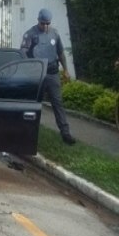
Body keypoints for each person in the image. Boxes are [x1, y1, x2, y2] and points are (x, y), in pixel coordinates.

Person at [21, 8, 76, 145]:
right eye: (43, 23)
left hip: (52, 73)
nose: (45, 26)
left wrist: (66, 70)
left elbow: (61, 53)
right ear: (38, 21)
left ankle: (65, 133)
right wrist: (30, 67)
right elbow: (22, 52)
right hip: (37, 74)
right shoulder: (30, 34)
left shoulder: (54, 33)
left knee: (58, 103)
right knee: (34, 104)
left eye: (47, 23)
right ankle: (29, 132)